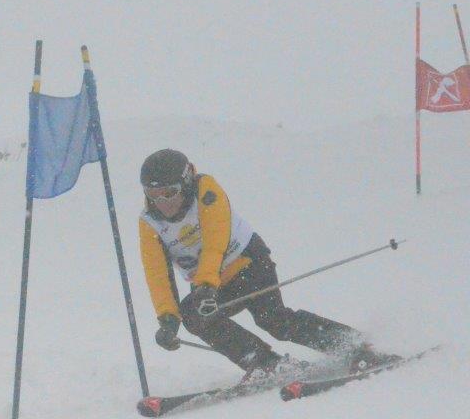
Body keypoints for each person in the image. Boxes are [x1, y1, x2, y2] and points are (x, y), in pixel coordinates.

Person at [136, 148, 398, 380]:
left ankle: (352, 345)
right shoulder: (150, 222)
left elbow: (215, 241)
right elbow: (157, 274)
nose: (163, 203)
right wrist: (168, 319)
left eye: (170, 193)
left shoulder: (206, 191)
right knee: (193, 315)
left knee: (274, 320)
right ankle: (263, 362)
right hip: (213, 284)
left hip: (248, 264)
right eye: (153, 195)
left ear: (186, 182)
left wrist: (205, 285)